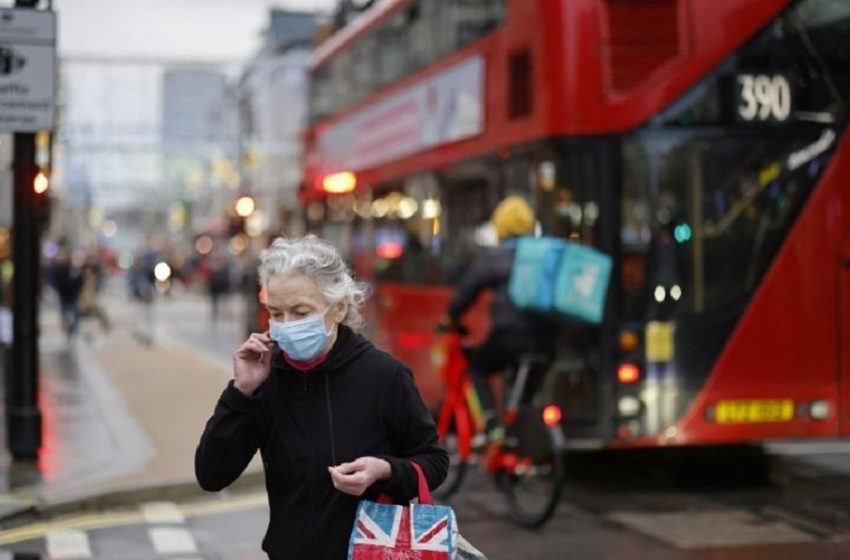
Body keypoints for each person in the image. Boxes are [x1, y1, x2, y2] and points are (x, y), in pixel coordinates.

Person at [195, 235, 448, 560]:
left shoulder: (385, 376)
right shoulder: (267, 380)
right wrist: (241, 392)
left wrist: (385, 470)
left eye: (300, 312)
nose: (286, 325)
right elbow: (211, 475)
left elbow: (434, 462)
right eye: (276, 312)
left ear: (339, 307)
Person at [441, 195, 556, 444]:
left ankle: (492, 424)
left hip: (509, 337)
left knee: (478, 367)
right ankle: (523, 429)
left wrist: (450, 317)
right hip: (547, 340)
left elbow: (467, 291)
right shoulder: (545, 254)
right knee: (525, 392)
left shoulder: (496, 257)